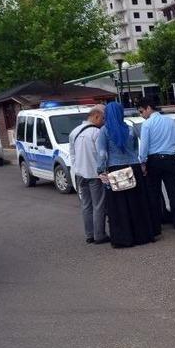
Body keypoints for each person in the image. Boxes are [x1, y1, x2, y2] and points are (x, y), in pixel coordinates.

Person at [96, 102, 156, 248]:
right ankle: (142, 235)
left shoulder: (105, 131)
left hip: (115, 169)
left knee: (119, 206)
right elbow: (136, 148)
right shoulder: (129, 129)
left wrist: (100, 170)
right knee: (137, 203)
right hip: (133, 168)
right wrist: (140, 164)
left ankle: (124, 237)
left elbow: (102, 153)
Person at [138, 98, 175, 230]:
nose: (142, 115)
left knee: (154, 193)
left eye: (142, 111)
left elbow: (144, 146)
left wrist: (142, 162)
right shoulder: (170, 121)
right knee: (172, 192)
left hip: (153, 161)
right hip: (170, 160)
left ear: (148, 108)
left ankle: (157, 223)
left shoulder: (147, 125)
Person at [69, 105, 108, 245]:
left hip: (80, 174)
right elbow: (101, 155)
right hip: (94, 174)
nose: (104, 121)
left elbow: (72, 155)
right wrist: (104, 171)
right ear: (96, 116)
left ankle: (89, 234)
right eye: (103, 118)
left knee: (86, 205)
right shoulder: (97, 133)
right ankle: (99, 235)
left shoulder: (74, 132)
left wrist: (76, 169)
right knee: (98, 205)